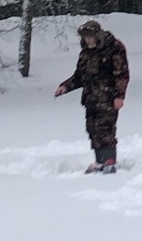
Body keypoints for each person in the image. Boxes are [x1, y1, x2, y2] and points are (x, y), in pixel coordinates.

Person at [54, 19, 130, 172]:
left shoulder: (114, 48)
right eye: (84, 37)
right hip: (91, 98)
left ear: (97, 35)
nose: (87, 40)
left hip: (108, 97)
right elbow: (80, 76)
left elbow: (122, 74)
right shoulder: (86, 52)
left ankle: (109, 162)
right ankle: (100, 162)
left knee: (105, 130)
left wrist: (119, 96)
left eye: (90, 36)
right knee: (93, 130)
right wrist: (66, 86)